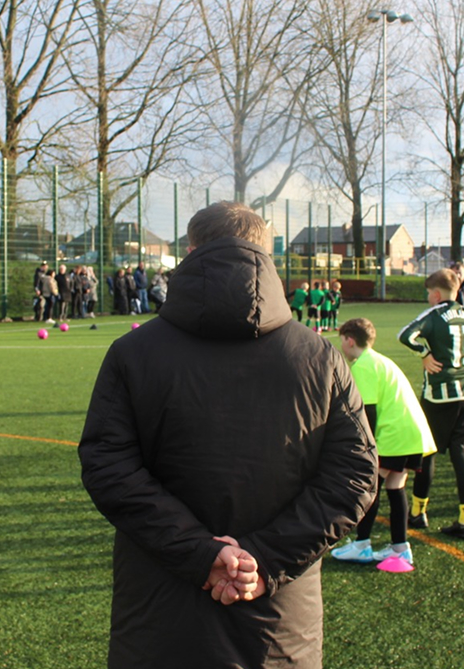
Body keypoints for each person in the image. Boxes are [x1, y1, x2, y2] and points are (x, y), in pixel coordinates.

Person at [80, 201, 377, 669]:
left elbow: (108, 466)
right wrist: (263, 560)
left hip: (162, 610)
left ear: (192, 251)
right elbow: (356, 477)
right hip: (277, 619)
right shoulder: (320, 356)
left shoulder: (133, 351)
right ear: (265, 254)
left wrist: (206, 556)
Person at [398, 269, 464, 541]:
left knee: (427, 452)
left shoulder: (433, 315)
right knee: (461, 453)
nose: (428, 298)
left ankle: (418, 512)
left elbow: (405, 335)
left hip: (438, 394)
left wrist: (425, 353)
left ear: (437, 294)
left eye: (429, 293)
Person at [330, 317, 436, 572]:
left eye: (342, 341)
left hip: (393, 436)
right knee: (395, 486)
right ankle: (400, 547)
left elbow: (367, 413)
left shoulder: (363, 365)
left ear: (349, 340)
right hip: (412, 434)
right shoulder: (381, 360)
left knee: (370, 487)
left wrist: (362, 449)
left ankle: (362, 544)